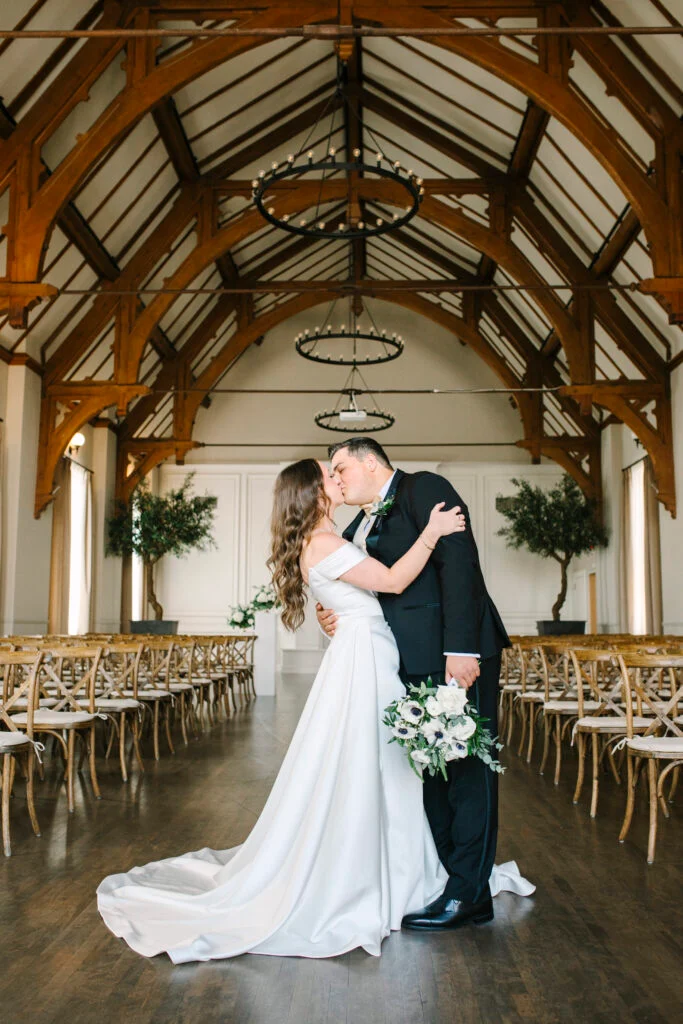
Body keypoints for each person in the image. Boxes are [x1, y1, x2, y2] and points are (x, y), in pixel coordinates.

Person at [98, 459, 533, 962]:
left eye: (340, 468)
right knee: (373, 766)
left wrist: (337, 611)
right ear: (313, 492)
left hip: (372, 657)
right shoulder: (325, 543)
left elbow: (368, 592)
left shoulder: (337, 534)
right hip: (364, 663)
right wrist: (433, 533)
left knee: (384, 766)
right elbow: (390, 582)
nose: (338, 478)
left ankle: (407, 869)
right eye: (331, 474)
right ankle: (377, 875)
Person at [317, 438, 511, 931]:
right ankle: (448, 879)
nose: (337, 480)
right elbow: (371, 587)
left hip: (454, 659)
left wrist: (462, 649)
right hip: (403, 665)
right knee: (430, 777)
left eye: (341, 468)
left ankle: (470, 895)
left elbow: (461, 565)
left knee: (468, 775)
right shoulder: (358, 523)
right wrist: (333, 614)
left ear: (369, 461)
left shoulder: (425, 488)